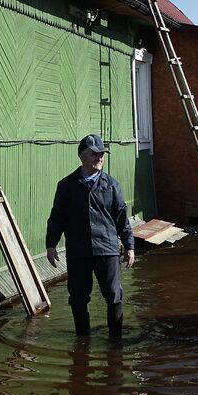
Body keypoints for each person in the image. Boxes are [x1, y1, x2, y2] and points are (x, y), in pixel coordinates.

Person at [46, 134, 135, 337]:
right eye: (94, 154)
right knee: (77, 297)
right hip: (78, 251)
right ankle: (83, 340)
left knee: (114, 295)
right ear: (82, 157)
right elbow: (56, 217)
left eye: (102, 154)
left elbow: (122, 218)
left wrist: (129, 246)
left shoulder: (112, 185)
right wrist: (51, 245)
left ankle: (115, 342)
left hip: (107, 249)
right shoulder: (67, 185)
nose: (100, 158)